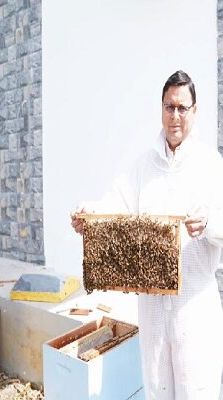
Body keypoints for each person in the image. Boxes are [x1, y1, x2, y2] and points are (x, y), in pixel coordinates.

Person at [71, 70, 223, 399]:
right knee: (158, 389)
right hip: (152, 309)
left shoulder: (211, 165)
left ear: (194, 110)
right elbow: (116, 203)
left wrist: (210, 224)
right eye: (169, 107)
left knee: (198, 390)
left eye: (183, 108)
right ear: (161, 109)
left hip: (195, 308)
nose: (175, 116)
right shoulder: (143, 166)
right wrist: (90, 215)